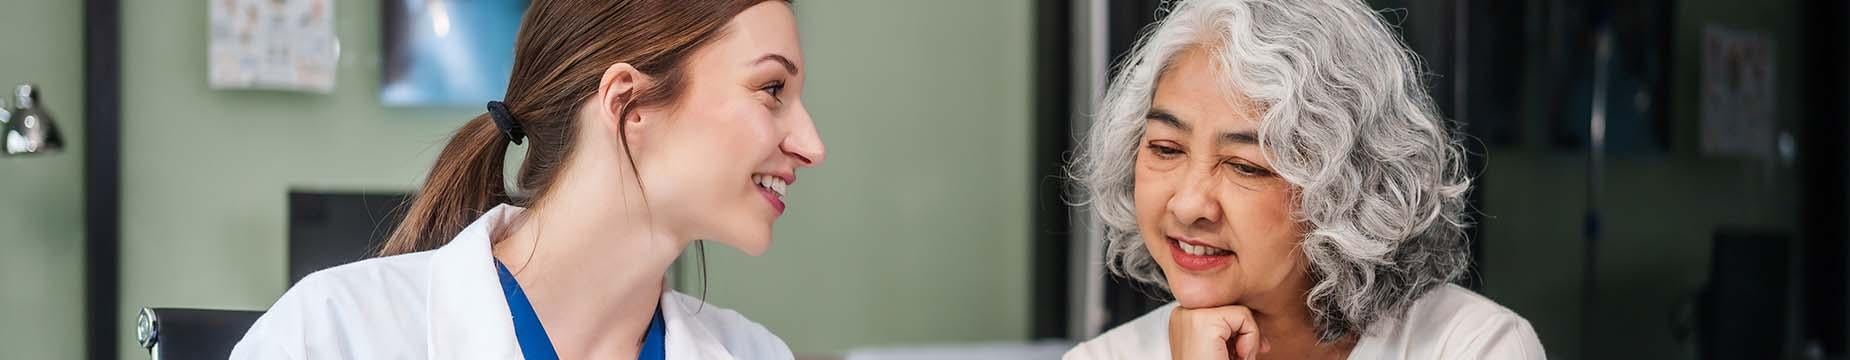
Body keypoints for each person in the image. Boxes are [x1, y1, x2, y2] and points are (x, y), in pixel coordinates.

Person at [231, 0, 823, 358]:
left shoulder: (755, 353)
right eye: (771, 90)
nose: (811, 146)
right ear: (628, 103)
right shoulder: (332, 338)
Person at [1065, 0, 1544, 359]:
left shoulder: (1474, 347)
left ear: (1347, 188)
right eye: (1166, 149)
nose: (1189, 205)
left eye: (1245, 166)